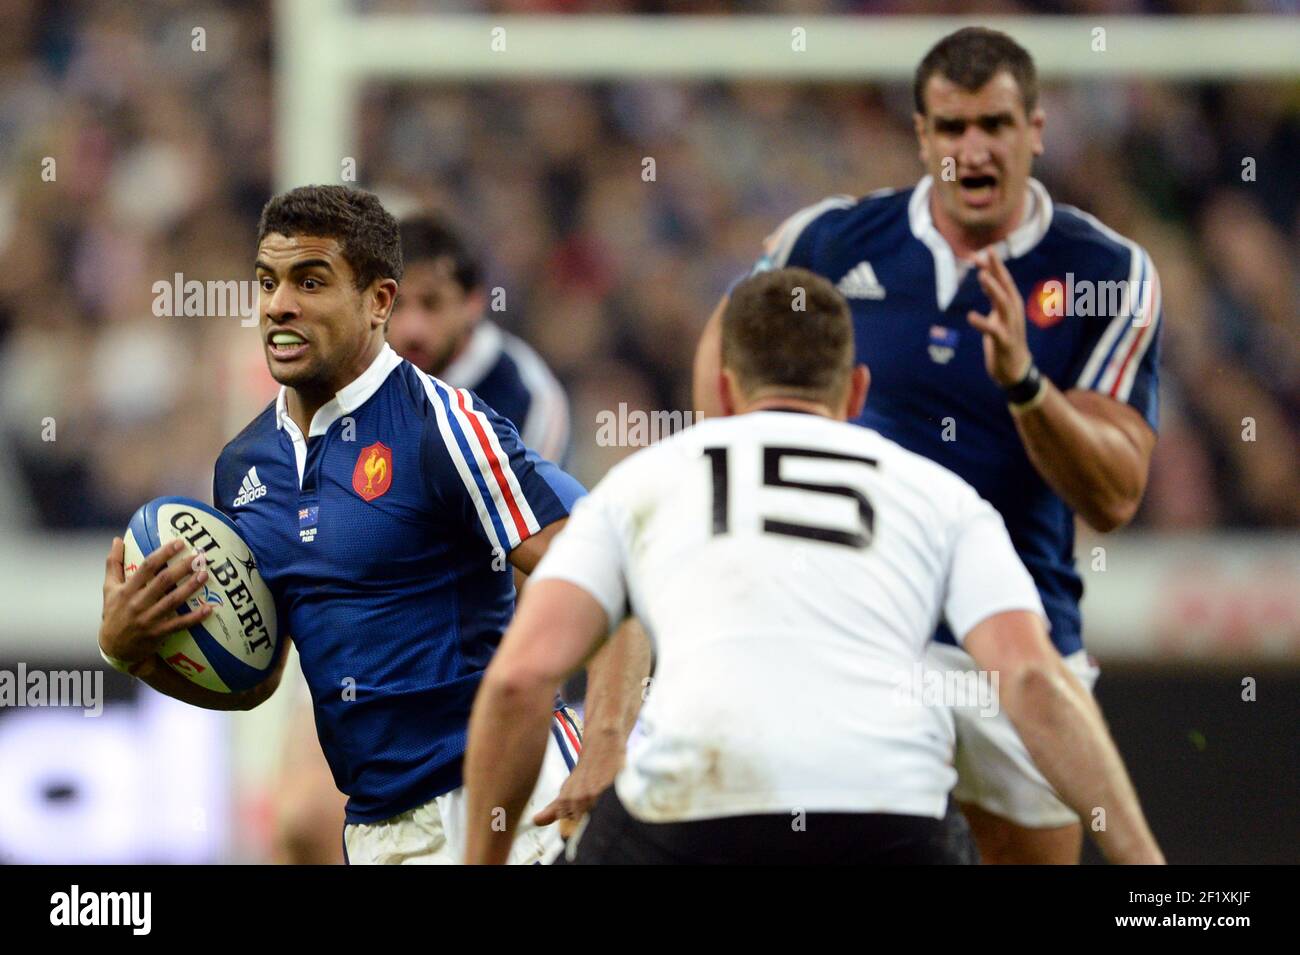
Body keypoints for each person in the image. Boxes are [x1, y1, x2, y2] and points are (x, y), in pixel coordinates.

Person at [463, 269, 1162, 865]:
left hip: (697, 808)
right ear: (857, 393)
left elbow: (521, 677)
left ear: (728, 392)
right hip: (889, 816)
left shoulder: (643, 483)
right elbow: (1034, 678)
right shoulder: (940, 496)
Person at [692, 27, 1163, 864]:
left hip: (1014, 633)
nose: (972, 149)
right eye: (951, 129)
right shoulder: (831, 241)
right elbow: (727, 339)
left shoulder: (1105, 272)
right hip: (856, 627)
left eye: (994, 124)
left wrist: (1025, 386)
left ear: (1036, 130)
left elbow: (1114, 496)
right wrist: (733, 487)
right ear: (921, 137)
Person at [97, 185, 645, 864]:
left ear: (379, 301)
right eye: (267, 281)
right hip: (377, 834)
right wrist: (133, 653)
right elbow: (256, 676)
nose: (279, 304)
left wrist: (607, 746)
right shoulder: (245, 464)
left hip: (511, 815)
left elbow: (615, 568)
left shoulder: (444, 427)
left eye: (310, 280)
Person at [271, 212, 581, 863]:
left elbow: (539, 564)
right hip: (361, 614)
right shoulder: (325, 397)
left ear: (473, 306)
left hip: (470, 629)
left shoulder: (516, 397)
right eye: (400, 302)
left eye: (431, 304)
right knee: (300, 821)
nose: (411, 327)